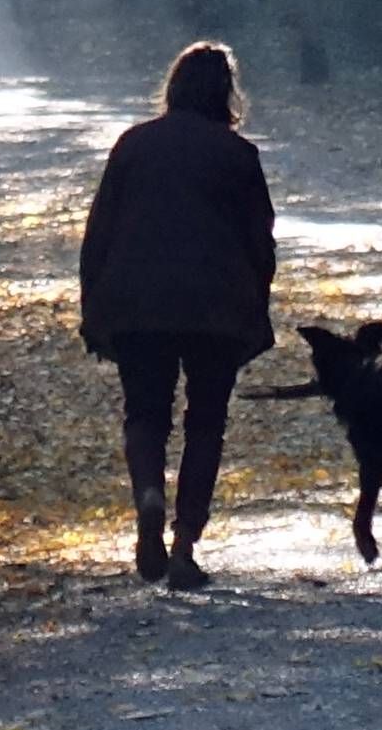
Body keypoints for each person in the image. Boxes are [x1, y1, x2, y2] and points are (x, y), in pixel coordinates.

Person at [77, 40, 275, 590]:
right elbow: (260, 243)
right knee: (205, 422)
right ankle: (185, 544)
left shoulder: (133, 146)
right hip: (215, 307)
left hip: (138, 303)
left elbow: (99, 235)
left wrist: (95, 307)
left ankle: (149, 497)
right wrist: (255, 311)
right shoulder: (239, 157)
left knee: (146, 413)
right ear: (227, 94)